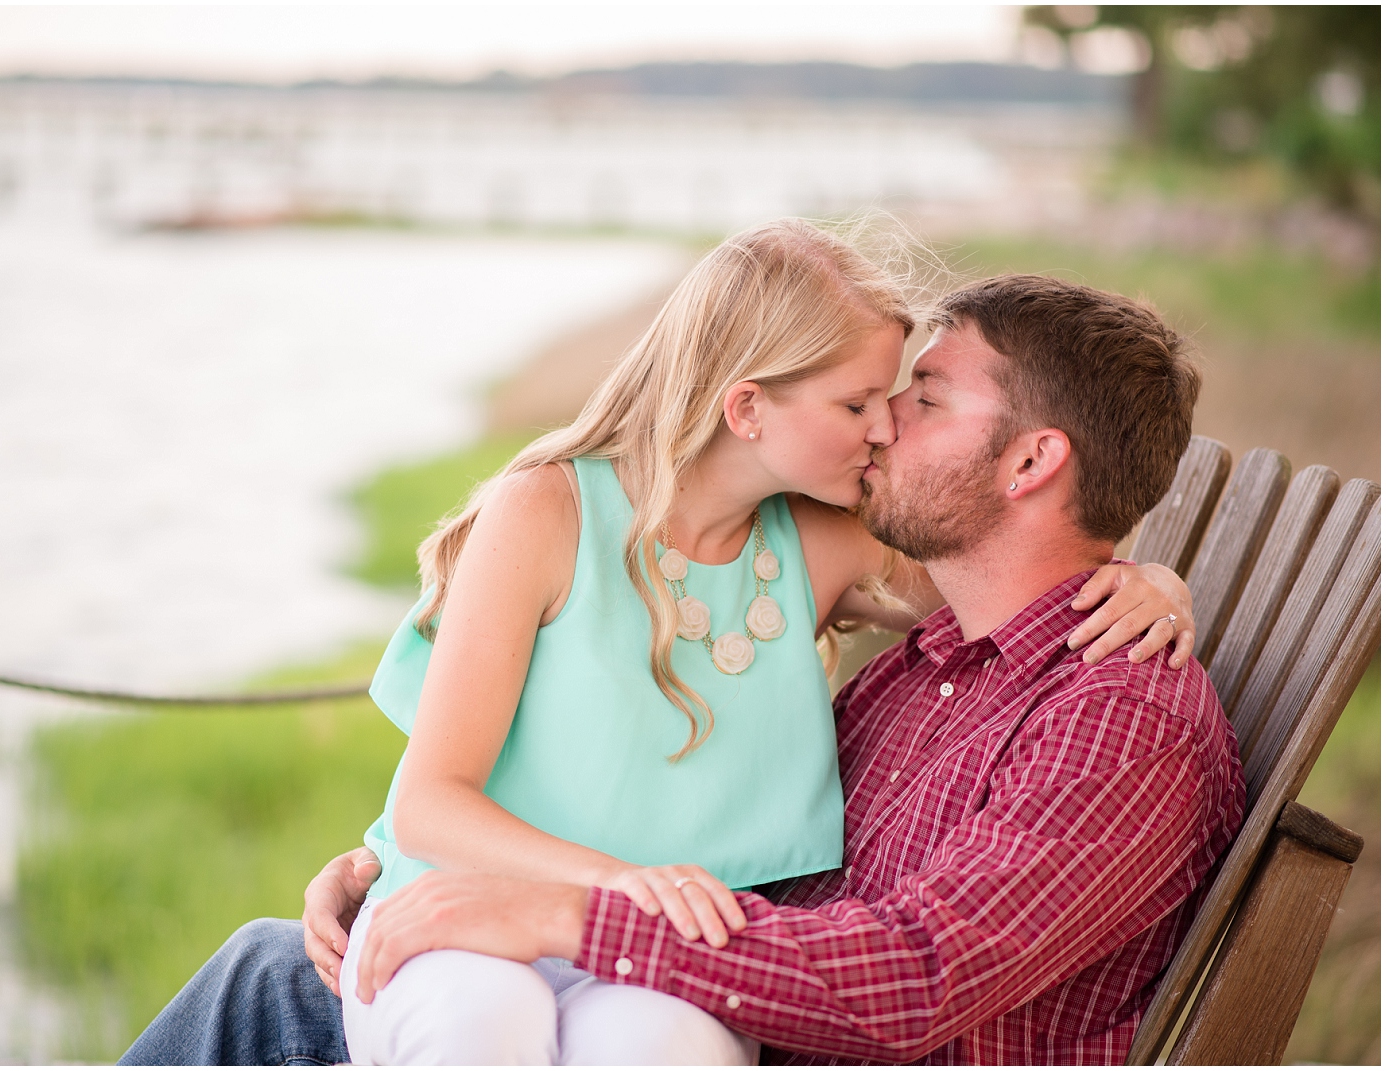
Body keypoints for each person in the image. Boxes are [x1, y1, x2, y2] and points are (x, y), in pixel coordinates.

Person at [121, 245, 1209, 1065]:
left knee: (273, 988)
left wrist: (561, 911)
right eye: (870, 402)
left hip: (674, 988)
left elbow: (915, 975)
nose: (881, 429)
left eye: (918, 402)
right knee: (299, 970)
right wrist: (398, 866)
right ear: (746, 405)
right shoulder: (933, 660)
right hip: (613, 963)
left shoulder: (1108, 711)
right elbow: (666, 792)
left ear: (1028, 459)